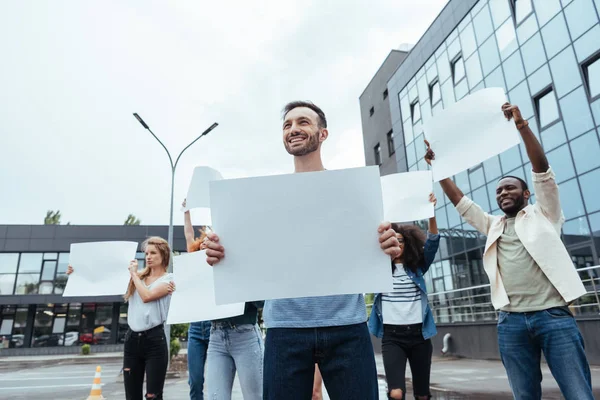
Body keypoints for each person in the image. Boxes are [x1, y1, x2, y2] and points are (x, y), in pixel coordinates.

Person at [204, 101, 402, 399]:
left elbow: (373, 252)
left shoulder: (354, 192)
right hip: (285, 329)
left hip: (347, 326)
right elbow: (250, 257)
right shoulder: (264, 201)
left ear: (323, 134)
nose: (293, 129)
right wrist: (220, 253)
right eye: (287, 125)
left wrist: (388, 248)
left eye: (302, 122)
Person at [424, 103, 593, 400]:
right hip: (511, 322)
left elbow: (543, 172)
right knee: (524, 396)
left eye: (510, 188)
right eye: (499, 190)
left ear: (526, 194)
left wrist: (521, 126)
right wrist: (439, 169)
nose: (502, 193)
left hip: (553, 317)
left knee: (578, 394)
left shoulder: (545, 214)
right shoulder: (493, 225)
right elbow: (463, 204)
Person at [67, 237, 175, 400]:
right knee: (131, 396)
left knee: (153, 396)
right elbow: (103, 279)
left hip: (155, 340)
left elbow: (147, 295)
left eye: (153, 253)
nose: (148, 257)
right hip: (132, 340)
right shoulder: (136, 278)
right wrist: (77, 272)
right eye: (146, 253)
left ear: (164, 255)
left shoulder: (168, 280)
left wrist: (133, 274)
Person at [183, 199, 265, 400]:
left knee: (256, 397)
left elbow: (262, 303)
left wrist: (237, 268)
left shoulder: (247, 256)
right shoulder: (204, 258)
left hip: (245, 334)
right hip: (216, 335)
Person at [368, 194, 440, 400]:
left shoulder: (417, 268)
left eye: (401, 241)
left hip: (419, 336)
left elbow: (433, 242)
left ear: (407, 244)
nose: (397, 244)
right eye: (393, 241)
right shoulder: (380, 271)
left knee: (423, 395)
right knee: (396, 393)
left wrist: (431, 214)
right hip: (392, 337)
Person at [183, 199, 212, 400]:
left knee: (217, 379)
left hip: (214, 326)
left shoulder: (219, 265)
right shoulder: (192, 263)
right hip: (196, 329)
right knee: (195, 380)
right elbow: (188, 234)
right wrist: (186, 212)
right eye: (202, 241)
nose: (204, 244)